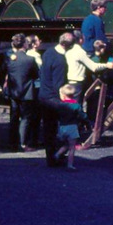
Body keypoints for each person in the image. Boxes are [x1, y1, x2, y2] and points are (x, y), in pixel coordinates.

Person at [39, 32, 73, 166]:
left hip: (43, 95)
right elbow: (59, 85)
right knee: (58, 129)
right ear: (69, 46)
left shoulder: (48, 52)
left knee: (48, 128)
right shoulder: (61, 61)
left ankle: (51, 157)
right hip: (53, 98)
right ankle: (55, 158)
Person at [4, 33, 38, 152]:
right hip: (27, 92)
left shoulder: (10, 58)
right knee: (25, 118)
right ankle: (22, 143)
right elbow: (36, 74)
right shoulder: (30, 59)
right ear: (24, 44)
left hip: (13, 91)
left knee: (13, 117)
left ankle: (12, 143)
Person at [65, 30, 113, 104]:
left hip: (70, 83)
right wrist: (107, 65)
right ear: (81, 40)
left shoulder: (68, 52)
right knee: (77, 105)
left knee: (71, 103)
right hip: (78, 84)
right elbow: (93, 67)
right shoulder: (80, 52)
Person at [53, 84, 87, 171]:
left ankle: (57, 154)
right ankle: (70, 165)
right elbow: (82, 116)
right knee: (72, 147)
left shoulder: (60, 105)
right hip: (72, 127)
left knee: (65, 144)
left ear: (63, 95)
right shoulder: (76, 106)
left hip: (62, 127)